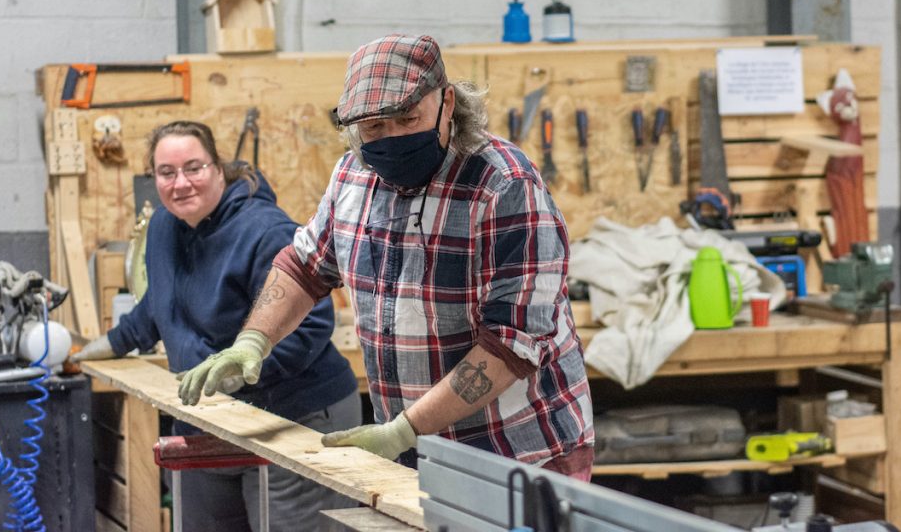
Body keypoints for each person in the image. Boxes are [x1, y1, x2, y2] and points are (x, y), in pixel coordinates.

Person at [178, 35, 595, 480]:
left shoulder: (505, 186)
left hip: (519, 452)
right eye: (374, 128)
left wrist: (403, 431)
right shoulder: (353, 176)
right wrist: (253, 341)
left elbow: (512, 344)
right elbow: (304, 267)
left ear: (447, 102)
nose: (391, 138)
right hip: (414, 448)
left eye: (407, 118)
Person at [72, 120, 361, 531]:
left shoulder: (264, 230)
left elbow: (311, 324)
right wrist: (116, 341)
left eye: (194, 167)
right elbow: (160, 302)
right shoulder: (163, 227)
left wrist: (237, 376)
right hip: (210, 416)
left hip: (295, 416)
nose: (181, 183)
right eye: (166, 172)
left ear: (218, 168)